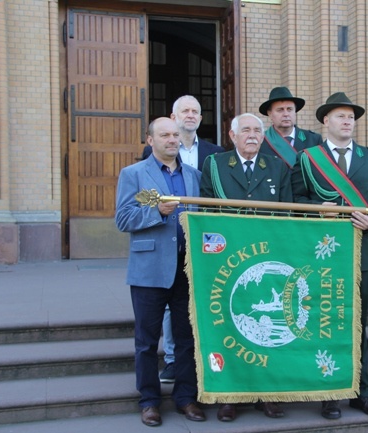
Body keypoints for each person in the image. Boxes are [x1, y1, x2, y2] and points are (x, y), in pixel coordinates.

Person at [291, 92, 368, 419]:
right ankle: (329, 391)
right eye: (341, 116)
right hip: (320, 257)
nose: (348, 122)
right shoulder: (307, 158)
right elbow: (294, 201)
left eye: (351, 117)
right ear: (325, 122)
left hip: (360, 252)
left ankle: (359, 390)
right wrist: (315, 210)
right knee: (325, 323)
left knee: (357, 322)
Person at [200, 113, 291, 421]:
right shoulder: (215, 165)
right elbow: (206, 211)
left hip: (265, 265)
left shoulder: (277, 168)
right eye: (246, 130)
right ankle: (230, 396)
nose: (252, 135)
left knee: (264, 331)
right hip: (228, 262)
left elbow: (288, 216)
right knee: (230, 327)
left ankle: (266, 393)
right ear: (232, 135)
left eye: (257, 130)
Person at [115, 117, 205, 427]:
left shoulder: (194, 175)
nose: (171, 139)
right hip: (149, 270)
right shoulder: (134, 174)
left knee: (186, 338)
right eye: (164, 134)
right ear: (150, 140)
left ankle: (185, 397)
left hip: (187, 269)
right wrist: (157, 211)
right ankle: (149, 401)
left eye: (175, 134)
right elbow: (124, 219)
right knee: (146, 341)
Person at [141, 95, 223, 384]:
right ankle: (173, 360)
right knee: (166, 310)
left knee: (194, 303)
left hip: (197, 246)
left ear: (201, 118)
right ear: (173, 117)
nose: (190, 115)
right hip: (163, 246)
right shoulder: (147, 158)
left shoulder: (214, 153)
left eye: (195, 111)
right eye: (184, 111)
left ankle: (196, 362)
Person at [258, 86, 322, 168]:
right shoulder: (260, 141)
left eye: (289, 109)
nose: (286, 114)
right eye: (280, 110)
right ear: (270, 114)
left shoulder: (313, 140)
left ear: (295, 111)